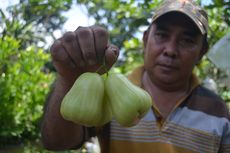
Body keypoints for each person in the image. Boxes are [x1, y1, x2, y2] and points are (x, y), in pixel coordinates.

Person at [41, 0, 230, 152]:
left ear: (202, 52)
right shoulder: (105, 93)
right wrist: (68, 79)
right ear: (146, 39)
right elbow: (56, 143)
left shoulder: (219, 111)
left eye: (187, 40)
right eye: (162, 35)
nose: (170, 50)